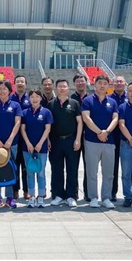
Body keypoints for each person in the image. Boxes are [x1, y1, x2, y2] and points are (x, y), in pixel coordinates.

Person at [81, 75, 119, 208]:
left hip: (109, 141)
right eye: (99, 83)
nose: (102, 86)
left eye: (105, 83)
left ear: (108, 86)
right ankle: (93, 197)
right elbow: (86, 118)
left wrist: (106, 132)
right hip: (92, 141)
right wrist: (99, 132)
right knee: (92, 171)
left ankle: (106, 197)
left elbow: (115, 119)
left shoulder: (113, 102)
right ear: (95, 85)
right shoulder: (88, 100)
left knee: (108, 172)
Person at [0, 80, 22, 209]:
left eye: (4, 88)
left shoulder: (15, 105)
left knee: (10, 169)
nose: (2, 91)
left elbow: (17, 123)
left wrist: (10, 140)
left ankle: (10, 197)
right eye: (0, 89)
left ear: (9, 91)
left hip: (11, 144)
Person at [48, 79, 82, 207]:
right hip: (55, 141)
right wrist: (48, 140)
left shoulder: (74, 103)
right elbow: (47, 124)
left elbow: (80, 122)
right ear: (56, 88)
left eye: (64, 86)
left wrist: (78, 139)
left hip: (71, 140)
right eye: (59, 86)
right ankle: (58, 195)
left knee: (72, 169)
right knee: (57, 169)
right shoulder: (51, 104)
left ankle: (71, 195)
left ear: (68, 88)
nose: (62, 88)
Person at [21, 89, 53, 208]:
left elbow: (47, 129)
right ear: (29, 99)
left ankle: (41, 196)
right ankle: (31, 196)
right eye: (32, 97)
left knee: (41, 172)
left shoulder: (46, 112)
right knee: (29, 173)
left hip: (41, 147)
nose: (34, 99)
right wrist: (28, 143)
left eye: (37, 97)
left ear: (40, 98)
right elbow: (23, 129)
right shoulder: (25, 112)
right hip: (27, 147)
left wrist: (40, 143)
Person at [10, 75, 30, 200]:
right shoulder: (10, 98)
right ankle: (15, 190)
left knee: (26, 166)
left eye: (22, 81)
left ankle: (26, 190)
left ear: (26, 84)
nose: (20, 83)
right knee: (14, 165)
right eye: (18, 82)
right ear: (14, 84)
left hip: (28, 137)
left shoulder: (31, 98)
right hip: (14, 138)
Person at [108, 75, 128, 202]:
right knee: (113, 166)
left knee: (128, 167)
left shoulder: (131, 97)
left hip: (128, 137)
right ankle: (112, 192)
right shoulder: (109, 98)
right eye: (116, 82)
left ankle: (129, 194)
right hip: (113, 137)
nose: (119, 83)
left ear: (125, 83)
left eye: (121, 81)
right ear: (113, 84)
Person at [71, 74, 90, 201]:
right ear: (74, 84)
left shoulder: (91, 98)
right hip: (75, 137)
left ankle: (88, 193)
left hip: (89, 136)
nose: (80, 83)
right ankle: (74, 192)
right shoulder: (71, 99)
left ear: (86, 82)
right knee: (73, 166)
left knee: (89, 166)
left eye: (82, 81)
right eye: (77, 81)